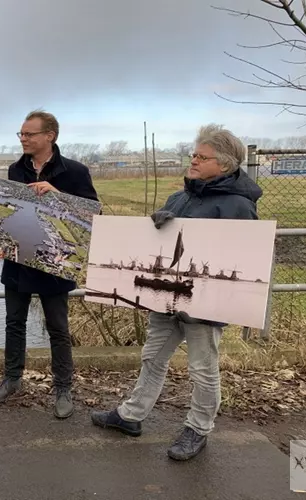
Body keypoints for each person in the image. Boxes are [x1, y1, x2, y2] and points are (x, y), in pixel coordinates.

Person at [89, 124, 262, 461]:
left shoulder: (238, 206)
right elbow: (162, 246)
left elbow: (242, 258)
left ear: (224, 165)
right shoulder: (180, 197)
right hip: (164, 297)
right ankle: (131, 415)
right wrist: (158, 225)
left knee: (202, 367)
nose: (193, 160)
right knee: (152, 357)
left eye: (202, 156)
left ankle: (199, 429)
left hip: (205, 306)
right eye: (193, 154)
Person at [0, 110, 99, 419]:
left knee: (58, 328)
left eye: (29, 134)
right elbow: (9, 212)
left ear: (49, 136)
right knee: (14, 323)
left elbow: (91, 216)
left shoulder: (74, 171)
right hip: (19, 259)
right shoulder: (15, 169)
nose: (23, 138)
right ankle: (12, 379)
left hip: (55, 260)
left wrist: (57, 195)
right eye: (20, 134)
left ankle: (63, 388)